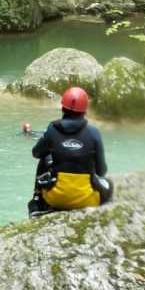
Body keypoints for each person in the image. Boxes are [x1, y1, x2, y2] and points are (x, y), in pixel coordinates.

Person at [27, 87, 112, 216]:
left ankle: (37, 199)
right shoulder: (94, 132)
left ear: (63, 108)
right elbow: (101, 171)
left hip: (55, 198)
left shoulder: (52, 129)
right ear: (84, 110)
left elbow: (36, 153)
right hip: (87, 199)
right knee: (109, 184)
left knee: (45, 156)